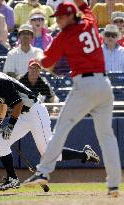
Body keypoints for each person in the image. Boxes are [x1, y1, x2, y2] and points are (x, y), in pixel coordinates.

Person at [23, 1, 122, 197]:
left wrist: (39, 60)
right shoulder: (89, 19)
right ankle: (113, 184)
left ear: (69, 16)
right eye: (56, 18)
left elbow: (48, 62)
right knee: (106, 135)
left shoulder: (65, 36)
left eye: (60, 17)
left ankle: (43, 172)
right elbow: (84, 5)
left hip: (84, 86)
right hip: (103, 85)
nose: (57, 21)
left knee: (60, 129)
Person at [0, 59, 100, 191]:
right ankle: (12, 179)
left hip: (35, 112)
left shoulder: (0, 81)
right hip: (24, 115)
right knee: (1, 143)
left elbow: (18, 104)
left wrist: (10, 125)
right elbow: (3, 104)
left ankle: (84, 154)